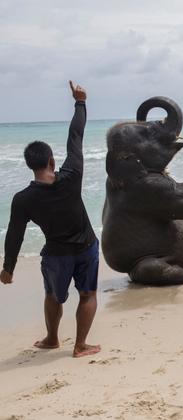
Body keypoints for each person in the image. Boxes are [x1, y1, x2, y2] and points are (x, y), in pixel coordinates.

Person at [0, 81, 101, 358]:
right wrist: (80, 102)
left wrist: (8, 267)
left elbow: (15, 234)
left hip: (57, 256)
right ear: (52, 161)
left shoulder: (24, 199)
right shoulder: (71, 176)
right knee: (88, 294)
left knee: (53, 296)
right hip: (87, 248)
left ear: (30, 165)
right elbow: (75, 137)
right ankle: (80, 346)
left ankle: (52, 339)